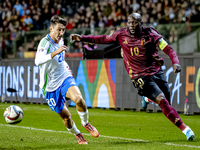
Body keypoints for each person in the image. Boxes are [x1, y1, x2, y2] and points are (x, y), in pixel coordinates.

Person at [70, 13, 195, 141]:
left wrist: (175, 63)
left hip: (156, 72)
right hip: (138, 75)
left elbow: (168, 49)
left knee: (167, 102)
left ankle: (147, 99)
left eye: (135, 22)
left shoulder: (151, 33)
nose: (131, 25)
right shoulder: (121, 34)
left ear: (141, 23)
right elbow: (103, 38)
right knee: (162, 100)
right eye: (129, 22)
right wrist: (82, 38)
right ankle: (185, 129)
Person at [35, 15, 99, 144]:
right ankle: (77, 134)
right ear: (51, 28)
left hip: (64, 77)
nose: (61, 33)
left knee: (79, 99)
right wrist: (55, 52)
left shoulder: (61, 40)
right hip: (49, 86)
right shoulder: (45, 43)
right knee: (66, 117)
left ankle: (86, 123)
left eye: (63, 30)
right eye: (58, 29)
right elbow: (37, 61)